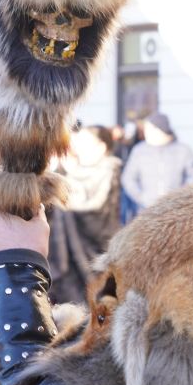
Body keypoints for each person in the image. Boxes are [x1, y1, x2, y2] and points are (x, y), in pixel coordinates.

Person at [49, 124, 121, 304]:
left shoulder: (110, 170)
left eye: (85, 142)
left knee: (96, 304)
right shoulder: (68, 171)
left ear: (101, 146)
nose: (78, 147)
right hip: (66, 256)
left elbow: (92, 209)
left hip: (98, 248)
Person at [121, 112, 193, 212]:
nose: (146, 133)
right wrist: (142, 198)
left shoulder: (182, 150)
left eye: (150, 129)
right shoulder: (139, 150)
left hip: (176, 211)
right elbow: (128, 178)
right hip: (146, 211)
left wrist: (181, 197)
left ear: (161, 130)